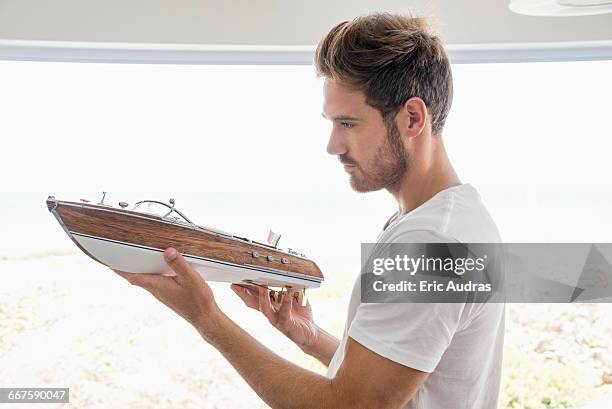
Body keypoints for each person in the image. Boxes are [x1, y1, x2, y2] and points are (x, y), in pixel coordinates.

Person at [115, 12, 504, 409]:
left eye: (348, 123)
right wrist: (310, 337)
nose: (333, 146)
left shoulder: (431, 242)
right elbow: (397, 383)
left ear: (412, 118)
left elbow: (348, 407)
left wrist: (207, 318)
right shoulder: (443, 218)